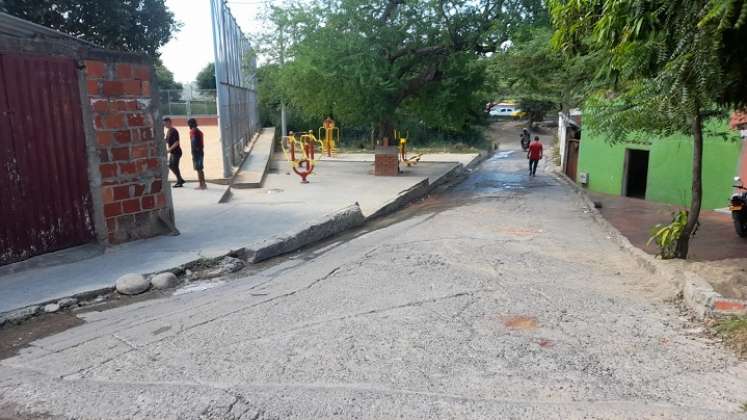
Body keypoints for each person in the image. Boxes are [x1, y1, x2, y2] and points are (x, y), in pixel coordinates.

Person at [164, 117, 185, 187]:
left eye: (165, 123)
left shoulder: (174, 131)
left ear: (169, 122)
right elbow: (167, 140)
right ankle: (180, 179)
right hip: (172, 152)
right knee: (170, 165)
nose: (165, 125)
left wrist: (169, 150)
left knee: (175, 166)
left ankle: (179, 181)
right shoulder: (168, 131)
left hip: (176, 152)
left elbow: (176, 142)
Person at [188, 118, 207, 189]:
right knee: (200, 169)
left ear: (190, 124)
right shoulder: (199, 131)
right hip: (201, 151)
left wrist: (194, 151)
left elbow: (194, 142)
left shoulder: (193, 131)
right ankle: (203, 184)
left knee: (198, 169)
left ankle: (201, 185)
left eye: (189, 124)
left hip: (197, 152)